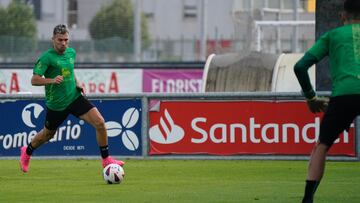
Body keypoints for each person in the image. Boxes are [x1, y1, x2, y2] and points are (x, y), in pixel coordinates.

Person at [19, 24, 124, 173]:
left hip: (74, 98)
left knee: (100, 122)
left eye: (66, 40)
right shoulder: (46, 58)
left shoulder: (71, 53)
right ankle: (27, 151)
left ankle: (106, 160)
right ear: (53, 39)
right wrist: (51, 80)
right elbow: (34, 80)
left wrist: (77, 83)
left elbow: (69, 72)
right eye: (60, 40)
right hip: (56, 105)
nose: (63, 43)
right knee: (47, 135)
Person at [294, 0, 360, 202]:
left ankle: (307, 198)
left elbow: (300, 66)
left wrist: (311, 97)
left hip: (343, 96)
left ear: (342, 16)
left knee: (322, 145)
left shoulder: (332, 36)